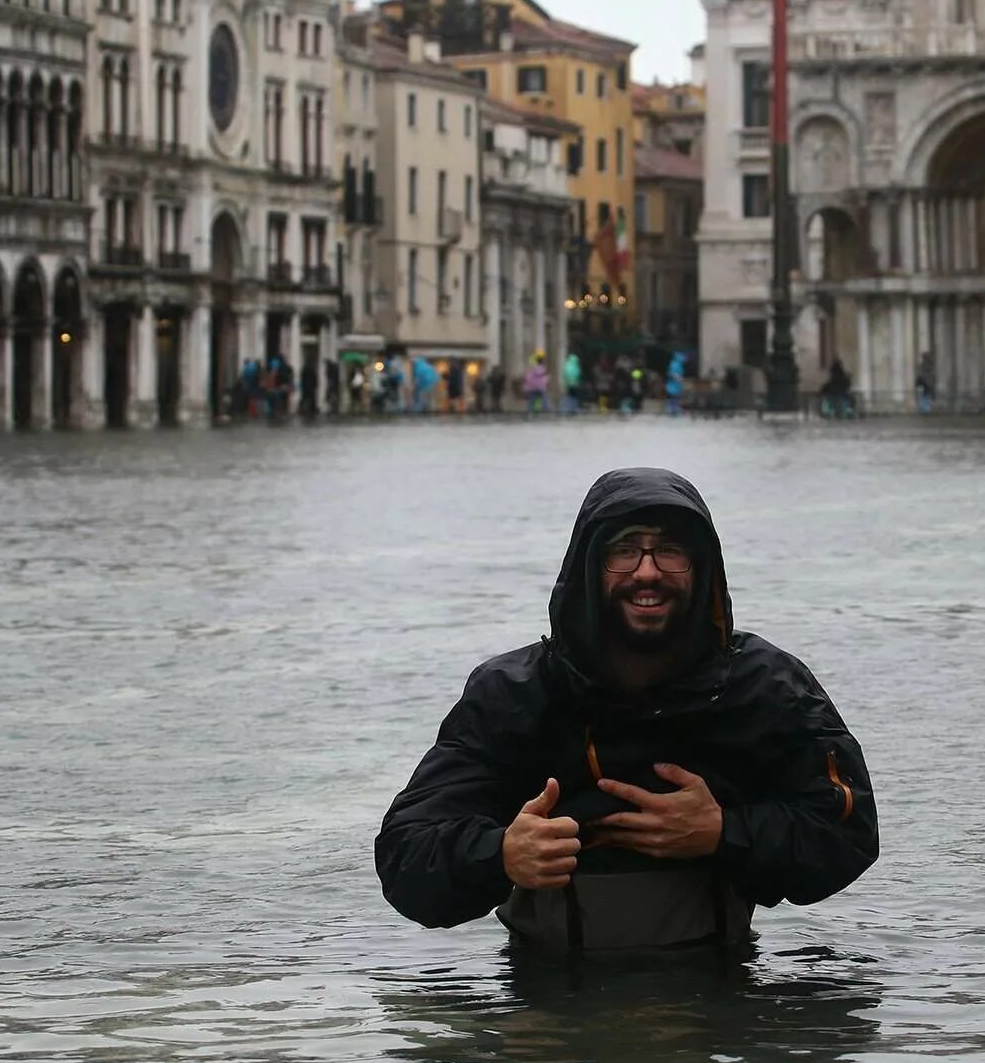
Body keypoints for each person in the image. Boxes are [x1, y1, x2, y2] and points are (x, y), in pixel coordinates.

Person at [375, 468, 879, 954]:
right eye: (624, 551)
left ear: (702, 568)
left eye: (670, 551)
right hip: (544, 989)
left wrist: (724, 832)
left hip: (721, 984)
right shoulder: (513, 695)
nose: (647, 572)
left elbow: (849, 833)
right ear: (589, 568)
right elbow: (404, 856)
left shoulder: (764, 687)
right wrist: (501, 854)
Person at [563, 351, 584, 415]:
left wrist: (566, 382)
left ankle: (568, 409)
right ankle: (574, 409)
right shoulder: (576, 367)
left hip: (568, 384)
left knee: (569, 396)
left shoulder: (566, 365)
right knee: (574, 397)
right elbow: (579, 375)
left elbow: (564, 374)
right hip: (575, 384)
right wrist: (577, 381)